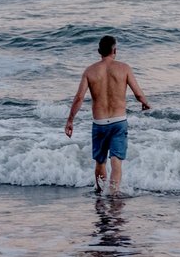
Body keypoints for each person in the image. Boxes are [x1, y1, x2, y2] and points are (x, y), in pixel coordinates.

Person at [65, 34, 152, 193]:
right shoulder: (124, 68)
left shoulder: (90, 71)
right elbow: (139, 94)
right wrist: (145, 103)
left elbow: (79, 98)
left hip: (99, 123)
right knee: (116, 161)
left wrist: (70, 120)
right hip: (118, 122)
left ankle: (101, 193)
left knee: (100, 162)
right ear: (115, 50)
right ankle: (113, 194)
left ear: (99, 51)